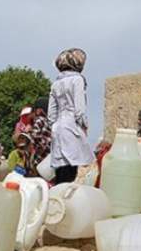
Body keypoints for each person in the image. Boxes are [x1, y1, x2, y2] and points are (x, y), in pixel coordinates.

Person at [48, 48, 94, 184]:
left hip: (58, 128)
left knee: (61, 169)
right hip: (71, 125)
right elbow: (79, 109)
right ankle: (66, 202)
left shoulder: (55, 83)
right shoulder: (77, 80)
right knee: (71, 167)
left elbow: (51, 114)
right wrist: (84, 126)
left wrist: (54, 127)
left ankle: (56, 199)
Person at [30, 97, 52, 167]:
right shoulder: (50, 121)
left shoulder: (39, 120)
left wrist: (29, 132)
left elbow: (34, 136)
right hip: (49, 158)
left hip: (40, 157)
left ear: (40, 110)